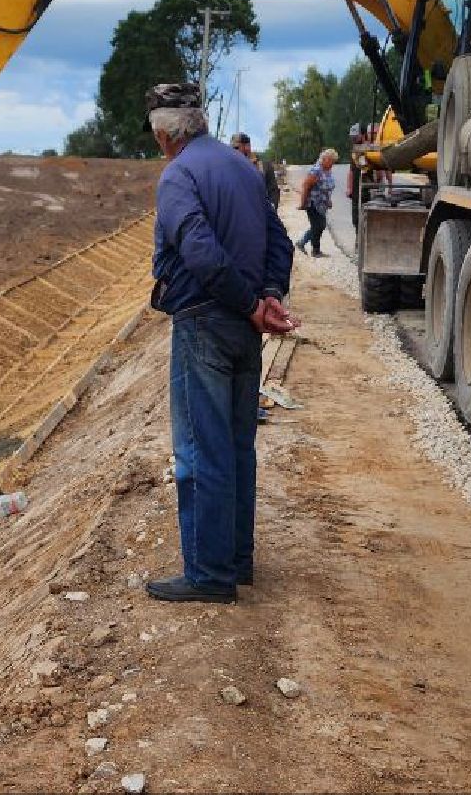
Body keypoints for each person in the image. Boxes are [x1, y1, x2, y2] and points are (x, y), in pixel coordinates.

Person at [143, 83, 297, 604]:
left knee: (200, 450)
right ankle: (236, 559)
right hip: (243, 330)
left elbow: (201, 253)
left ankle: (209, 574)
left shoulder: (178, 175)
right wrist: (268, 295)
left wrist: (252, 304)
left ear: (164, 134)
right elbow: (279, 242)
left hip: (204, 323)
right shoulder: (242, 168)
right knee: (236, 447)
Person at [296, 148, 337, 258]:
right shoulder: (316, 170)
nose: (332, 164)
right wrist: (303, 203)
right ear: (325, 159)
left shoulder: (327, 170)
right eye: (331, 161)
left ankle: (307, 245)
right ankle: (313, 249)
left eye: (334, 162)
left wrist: (328, 200)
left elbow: (326, 187)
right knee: (318, 226)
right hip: (313, 203)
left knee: (319, 226)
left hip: (322, 204)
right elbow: (306, 186)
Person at [229, 132, 282, 210]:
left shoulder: (264, 167)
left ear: (247, 147)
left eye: (236, 148)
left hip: (260, 211)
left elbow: (273, 191)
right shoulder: (229, 166)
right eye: (232, 148)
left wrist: (272, 208)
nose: (233, 151)